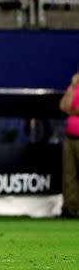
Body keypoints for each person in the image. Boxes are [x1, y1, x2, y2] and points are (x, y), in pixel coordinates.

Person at [59, 70, 79, 218]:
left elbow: (74, 109)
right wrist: (72, 87)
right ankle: (69, 209)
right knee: (69, 175)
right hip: (70, 136)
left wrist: (72, 110)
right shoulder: (74, 87)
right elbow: (63, 106)